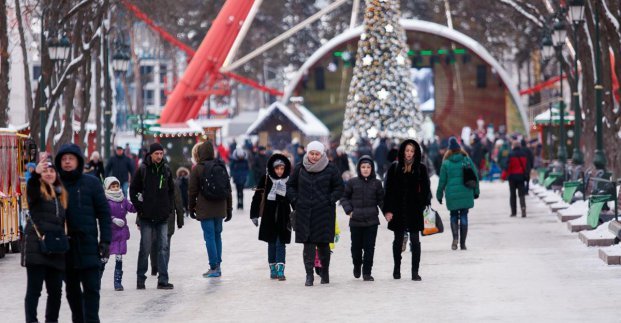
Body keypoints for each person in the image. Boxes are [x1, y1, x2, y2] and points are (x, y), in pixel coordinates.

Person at [55, 144, 111, 323]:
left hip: (88, 246)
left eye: (71, 158)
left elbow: (104, 213)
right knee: (72, 293)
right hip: (65, 249)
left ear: (78, 161)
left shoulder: (92, 183)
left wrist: (106, 240)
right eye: (64, 159)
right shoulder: (55, 185)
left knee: (92, 291)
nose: (67, 162)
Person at [287, 141, 343, 286]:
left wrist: (330, 200)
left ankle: (325, 273)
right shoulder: (300, 168)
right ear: (307, 153)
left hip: (324, 212)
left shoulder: (331, 168)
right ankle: (309, 275)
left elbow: (339, 187)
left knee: (324, 245)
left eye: (316, 154)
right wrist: (296, 200)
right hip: (305, 213)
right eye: (311, 153)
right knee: (308, 245)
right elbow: (290, 186)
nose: (313, 156)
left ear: (322, 154)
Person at [24, 153, 68, 323]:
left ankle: (52, 320)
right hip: (37, 249)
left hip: (56, 249)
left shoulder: (60, 195)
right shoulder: (36, 191)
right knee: (34, 291)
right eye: (46, 171)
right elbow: (32, 186)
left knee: (56, 292)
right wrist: (35, 174)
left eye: (52, 171)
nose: (49, 173)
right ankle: (32, 321)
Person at [383, 139, 431, 281]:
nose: (409, 153)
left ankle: (414, 271)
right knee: (398, 240)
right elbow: (388, 189)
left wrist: (422, 203)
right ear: (403, 151)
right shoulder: (395, 167)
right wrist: (388, 210)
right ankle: (397, 268)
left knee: (415, 241)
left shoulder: (421, 168)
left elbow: (426, 188)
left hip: (414, 209)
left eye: (412, 151)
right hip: (398, 208)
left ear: (415, 153)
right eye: (407, 150)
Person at [130, 143, 176, 290]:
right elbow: (133, 189)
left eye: (161, 154)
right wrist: (140, 208)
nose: (159, 156)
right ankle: (140, 279)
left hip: (162, 216)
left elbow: (171, 191)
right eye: (156, 153)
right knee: (145, 248)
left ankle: (163, 280)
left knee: (163, 248)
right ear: (151, 154)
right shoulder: (143, 169)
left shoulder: (166, 169)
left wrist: (168, 208)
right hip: (147, 217)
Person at [188, 141, 233, 278]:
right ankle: (218, 265)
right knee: (217, 235)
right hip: (220, 207)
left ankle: (213, 267)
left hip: (205, 208)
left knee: (209, 237)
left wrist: (191, 208)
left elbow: (192, 191)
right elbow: (228, 189)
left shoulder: (197, 169)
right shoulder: (221, 165)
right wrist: (229, 208)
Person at [340, 155, 384, 281]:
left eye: (368, 167)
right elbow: (344, 197)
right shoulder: (352, 182)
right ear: (359, 168)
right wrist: (349, 211)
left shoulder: (377, 183)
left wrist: (387, 212)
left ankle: (367, 272)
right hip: (356, 221)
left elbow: (381, 200)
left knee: (370, 248)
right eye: (363, 167)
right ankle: (357, 265)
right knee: (356, 248)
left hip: (372, 221)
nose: (365, 169)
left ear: (372, 168)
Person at [249, 153, 292, 281]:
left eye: (282, 168)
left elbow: (294, 198)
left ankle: (280, 271)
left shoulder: (288, 180)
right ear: (272, 169)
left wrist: (297, 212)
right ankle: (272, 268)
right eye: (277, 168)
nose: (279, 171)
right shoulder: (265, 179)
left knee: (281, 243)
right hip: (269, 217)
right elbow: (257, 197)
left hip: (284, 217)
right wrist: (254, 214)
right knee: (272, 243)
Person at [436, 137, 479, 251]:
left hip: (452, 195)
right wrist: (476, 191)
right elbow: (475, 176)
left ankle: (455, 239)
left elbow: (442, 182)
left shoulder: (446, 163)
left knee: (453, 216)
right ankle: (463, 243)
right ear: (459, 149)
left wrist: (439, 195)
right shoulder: (467, 160)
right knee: (464, 216)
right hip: (466, 192)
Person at [101, 176, 135, 291]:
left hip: (121, 234)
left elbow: (132, 208)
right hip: (109, 234)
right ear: (107, 187)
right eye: (113, 186)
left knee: (119, 258)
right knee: (104, 258)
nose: (115, 188)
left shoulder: (123, 199)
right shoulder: (105, 200)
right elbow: (103, 214)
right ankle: (96, 280)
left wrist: (140, 201)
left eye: (117, 186)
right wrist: (113, 219)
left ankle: (117, 282)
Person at [505, 140, 529, 217]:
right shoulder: (524, 154)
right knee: (521, 194)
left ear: (513, 146)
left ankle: (513, 212)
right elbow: (527, 166)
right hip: (521, 177)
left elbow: (508, 167)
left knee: (513, 195)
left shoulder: (510, 154)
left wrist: (505, 175)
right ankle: (523, 209)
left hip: (512, 177)